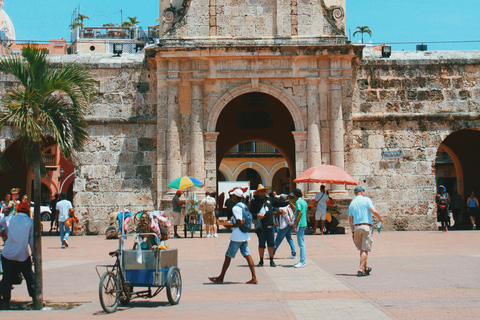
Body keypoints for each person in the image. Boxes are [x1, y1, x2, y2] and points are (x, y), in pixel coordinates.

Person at [208, 188, 258, 284]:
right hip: (244, 235)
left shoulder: (236, 208)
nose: (232, 198)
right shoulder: (244, 206)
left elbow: (240, 222)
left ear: (235, 197)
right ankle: (254, 277)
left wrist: (231, 225)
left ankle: (221, 277)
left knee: (228, 256)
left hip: (237, 236)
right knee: (247, 255)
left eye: (233, 196)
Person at [0, 201, 35, 309]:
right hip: (22, 255)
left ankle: (5, 301)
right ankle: (35, 298)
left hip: (7, 254)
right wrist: (34, 254)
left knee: (7, 278)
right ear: (28, 211)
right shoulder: (30, 222)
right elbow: (32, 240)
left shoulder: (9, 219)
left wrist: (3, 234)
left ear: (17, 210)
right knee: (29, 277)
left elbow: (1, 222)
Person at [249, 184, 289, 267]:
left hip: (270, 225)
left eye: (264, 191)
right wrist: (257, 215)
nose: (263, 192)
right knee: (261, 243)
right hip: (261, 226)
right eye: (261, 191)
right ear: (258, 193)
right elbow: (250, 213)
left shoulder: (270, 199)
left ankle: (271, 260)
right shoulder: (254, 201)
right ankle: (261, 261)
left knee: (271, 243)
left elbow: (279, 203)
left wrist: (288, 202)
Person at [348, 185, 383, 277]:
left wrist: (352, 231)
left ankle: (366, 267)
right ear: (362, 192)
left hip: (356, 228)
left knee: (362, 249)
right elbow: (373, 211)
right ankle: (360, 269)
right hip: (366, 227)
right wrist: (380, 218)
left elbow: (350, 220)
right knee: (365, 249)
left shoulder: (352, 203)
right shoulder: (367, 200)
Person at [273, 195, 296, 259]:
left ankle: (271, 253)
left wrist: (275, 215)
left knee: (278, 240)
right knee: (289, 239)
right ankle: (293, 253)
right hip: (289, 225)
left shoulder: (282, 207)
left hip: (283, 226)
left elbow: (280, 211)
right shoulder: (288, 206)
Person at [292, 189, 307, 268]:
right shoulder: (304, 202)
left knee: (301, 243)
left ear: (295, 195)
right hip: (304, 223)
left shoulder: (298, 202)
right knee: (301, 242)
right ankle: (302, 260)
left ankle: (302, 261)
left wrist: (295, 225)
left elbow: (298, 213)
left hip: (300, 224)